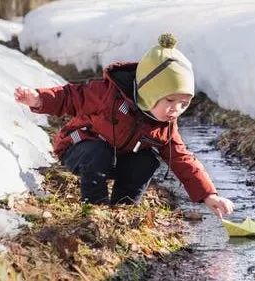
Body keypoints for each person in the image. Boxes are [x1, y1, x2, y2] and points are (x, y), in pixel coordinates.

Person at [14, 33, 234, 218]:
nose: (176, 109)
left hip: (117, 157)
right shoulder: (108, 95)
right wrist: (39, 99)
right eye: (169, 101)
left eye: (183, 104)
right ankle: (95, 209)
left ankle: (123, 209)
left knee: (147, 160)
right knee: (98, 150)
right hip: (79, 149)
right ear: (149, 92)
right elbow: (71, 96)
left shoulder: (164, 125)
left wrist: (209, 195)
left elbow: (181, 158)